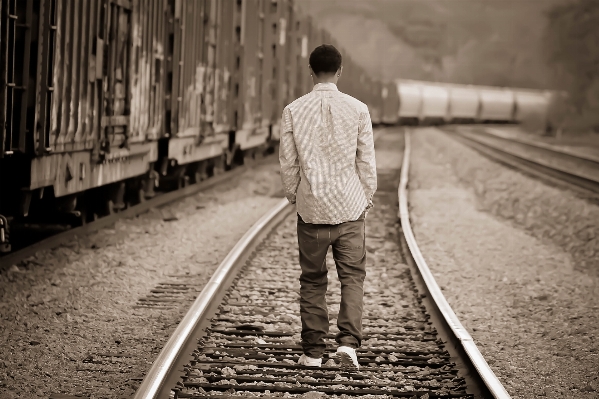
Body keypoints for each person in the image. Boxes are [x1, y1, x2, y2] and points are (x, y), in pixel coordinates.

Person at [279, 44, 377, 369]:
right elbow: (367, 163)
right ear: (340, 71)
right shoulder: (359, 109)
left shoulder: (292, 110)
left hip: (312, 213)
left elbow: (288, 164)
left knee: (312, 281)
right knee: (352, 278)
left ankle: (312, 353)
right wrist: (365, 197)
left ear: (310, 71)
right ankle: (348, 345)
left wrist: (297, 197)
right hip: (350, 210)